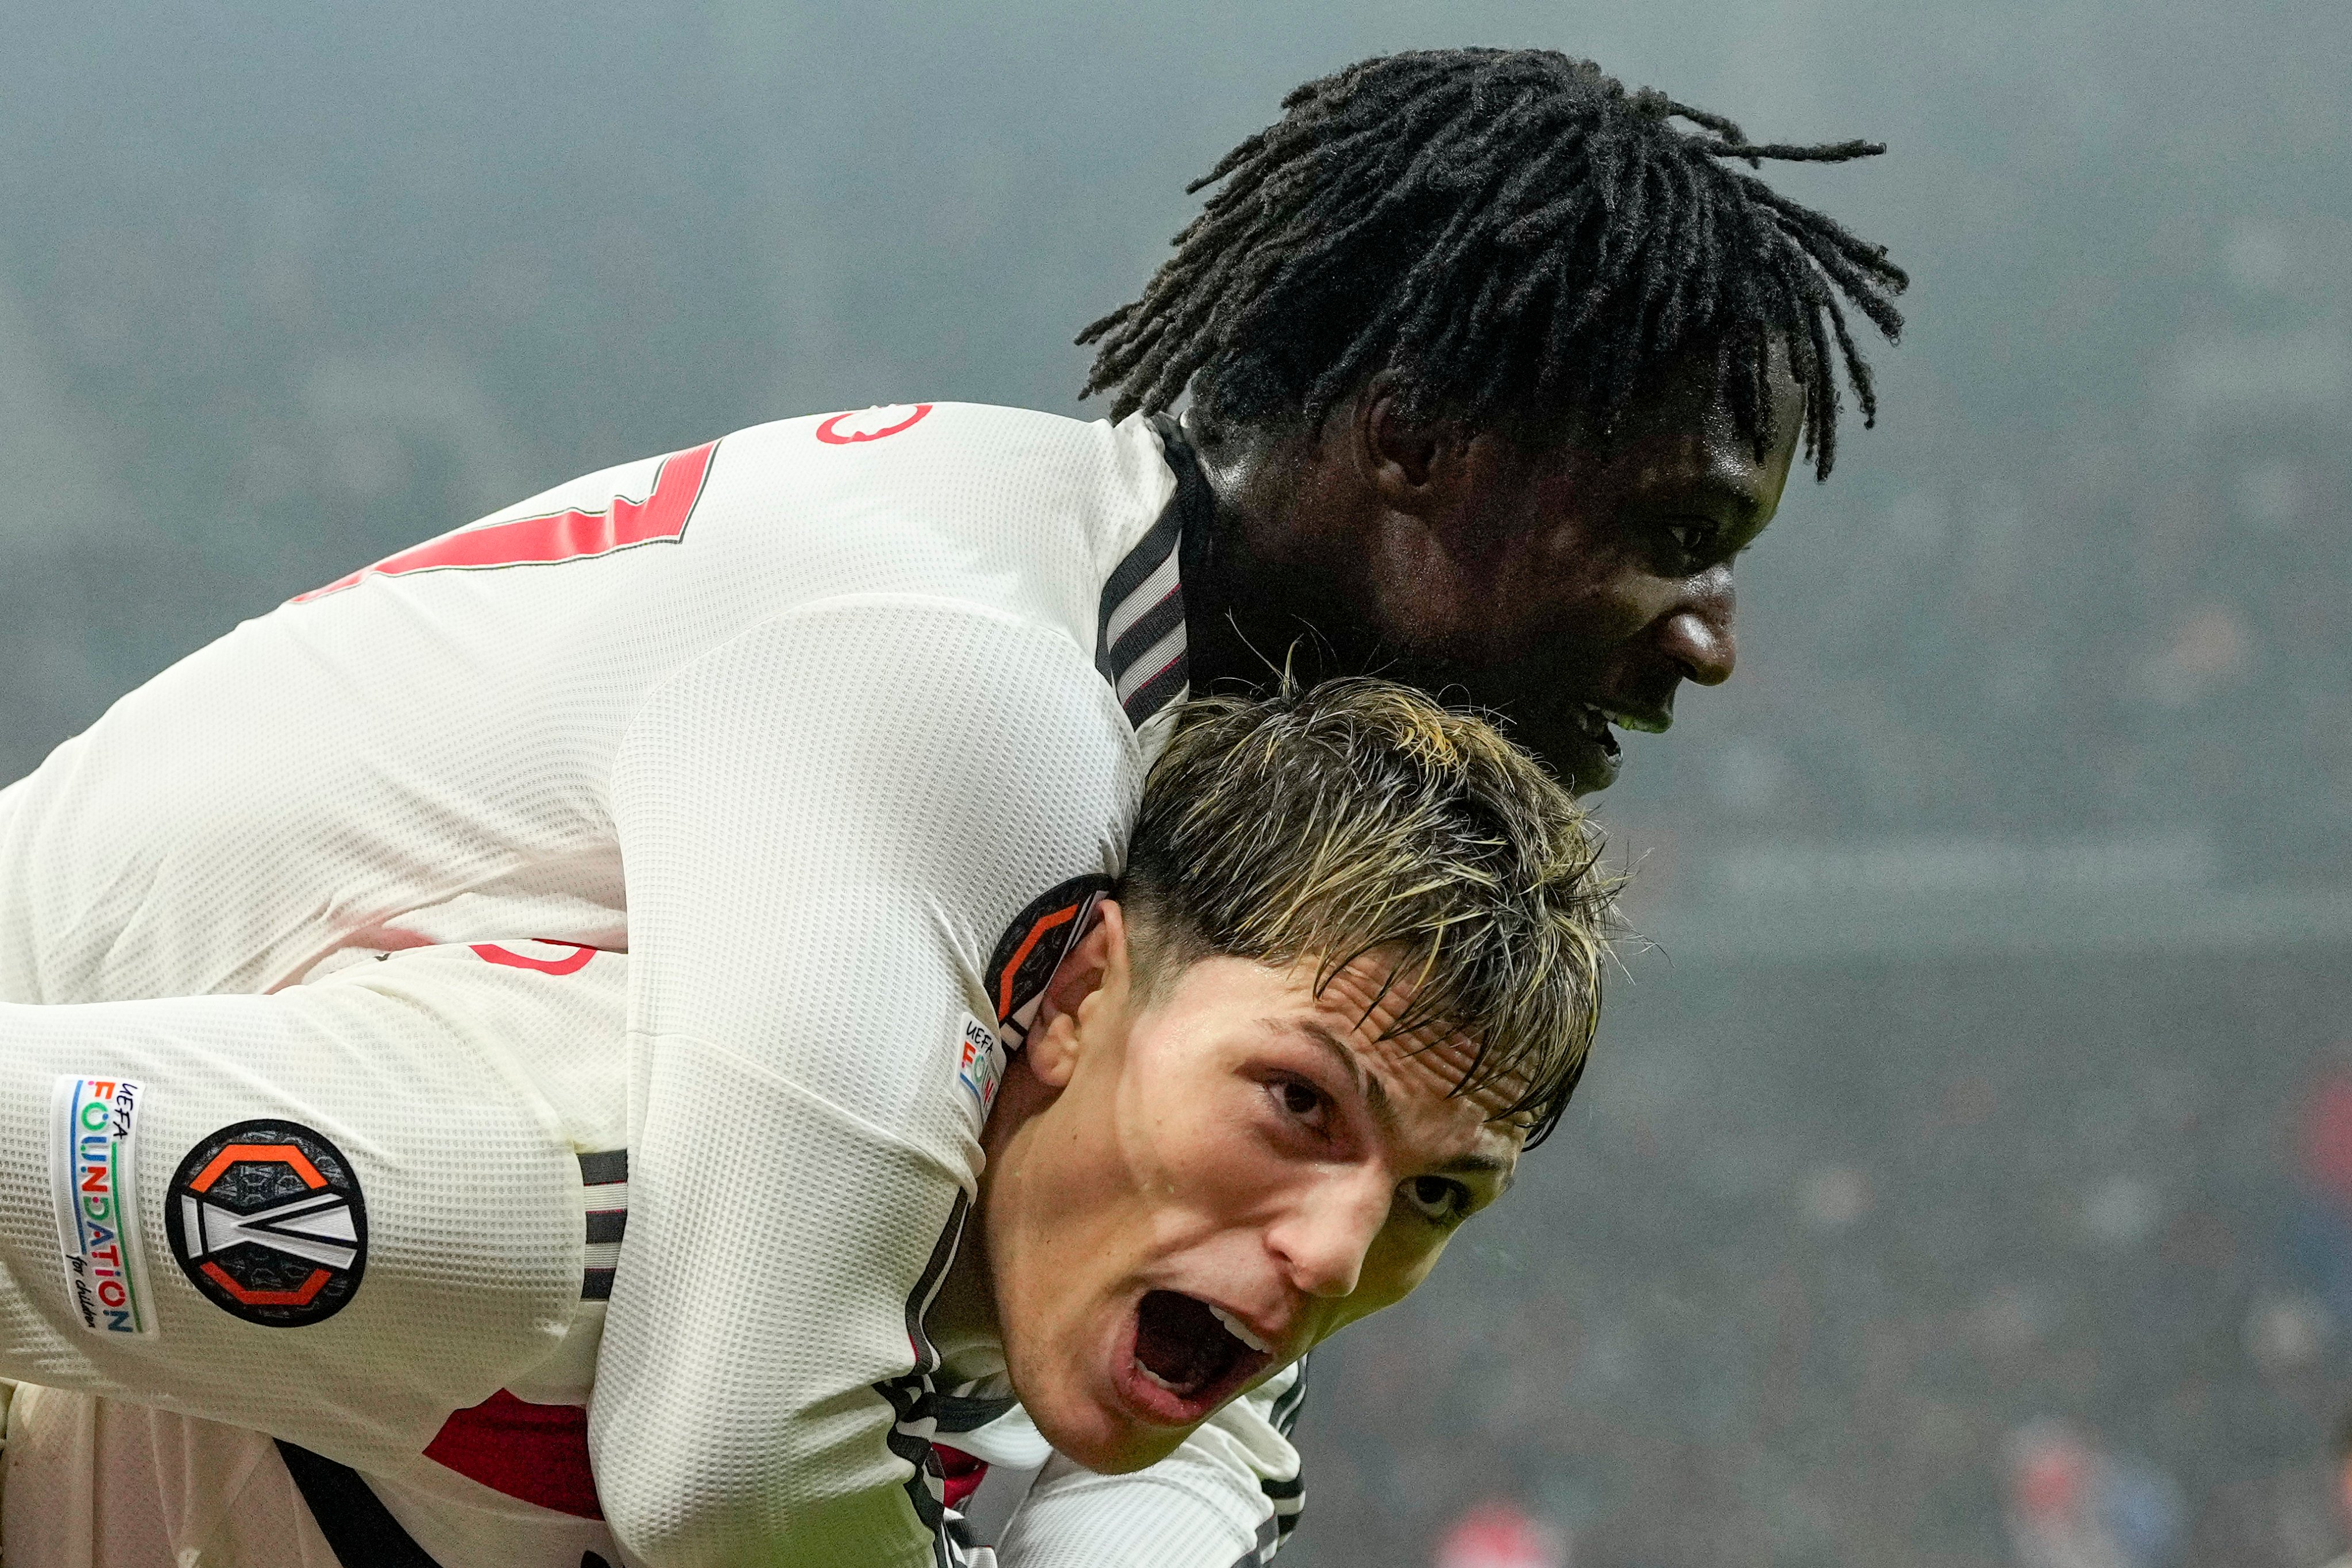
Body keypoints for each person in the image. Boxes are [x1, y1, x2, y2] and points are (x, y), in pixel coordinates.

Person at [0, 47, 1903, 1568]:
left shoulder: (1129, 732)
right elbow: (739, 1456)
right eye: (1672, 538)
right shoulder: (964, 682)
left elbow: (1212, 1413)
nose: (1707, 645)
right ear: (1410, 440)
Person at [0, 682, 1613, 1568]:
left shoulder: (1107, 1377)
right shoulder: (544, 1183)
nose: (1337, 1252)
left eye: (1439, 1195)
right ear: (1071, 994)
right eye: (1298, 1101)